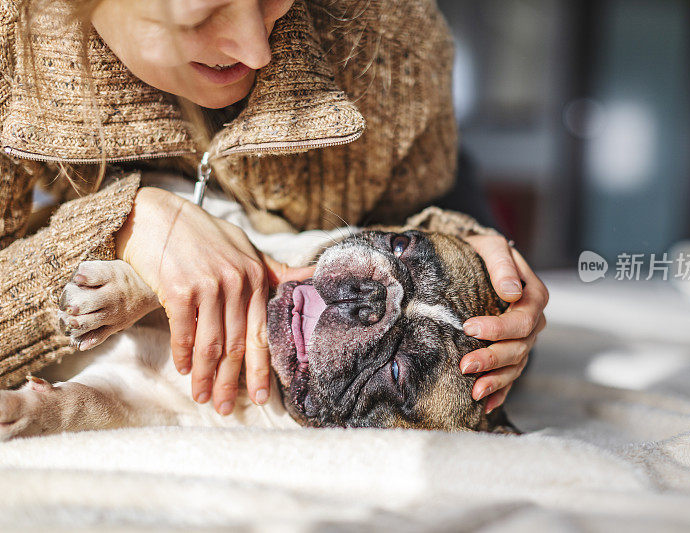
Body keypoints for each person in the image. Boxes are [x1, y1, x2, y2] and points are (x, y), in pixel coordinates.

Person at [0, 0, 548, 418]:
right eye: (204, 13)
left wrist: (472, 259)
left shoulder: (386, 30)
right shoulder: (11, 46)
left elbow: (412, 238)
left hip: (407, 203)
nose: (256, 47)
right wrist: (126, 224)